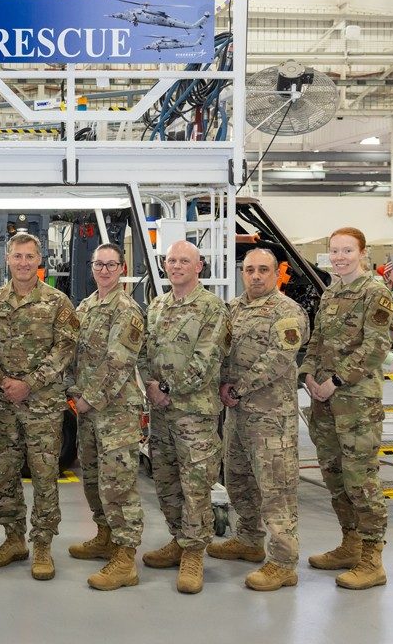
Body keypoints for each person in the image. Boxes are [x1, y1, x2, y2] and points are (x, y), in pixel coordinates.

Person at [300, 226, 393, 590]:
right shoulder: (331, 291)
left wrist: (334, 381)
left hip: (356, 403)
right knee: (334, 474)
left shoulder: (375, 292)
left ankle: (373, 559)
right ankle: (350, 544)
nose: (339, 257)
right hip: (323, 400)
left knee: (361, 479)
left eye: (346, 251)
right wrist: (307, 373)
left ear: (362, 252)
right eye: (334, 252)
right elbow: (317, 338)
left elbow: (375, 346)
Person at [211, 247, 308, 591]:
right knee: (239, 481)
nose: (255, 275)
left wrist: (238, 387)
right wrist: (222, 383)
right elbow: (221, 352)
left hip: (271, 419)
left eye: (263, 270)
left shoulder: (287, 311)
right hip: (237, 416)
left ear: (276, 273)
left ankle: (283, 562)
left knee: (276, 490)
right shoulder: (234, 308)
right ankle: (249, 540)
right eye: (249, 269)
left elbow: (279, 358)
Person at [137, 239, 229, 594]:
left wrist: (167, 390)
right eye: (171, 260)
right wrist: (149, 384)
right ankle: (178, 538)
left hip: (195, 415)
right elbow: (144, 351)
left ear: (198, 266)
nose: (176, 266)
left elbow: (206, 363)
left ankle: (194, 553)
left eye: (183, 261)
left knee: (196, 484)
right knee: (166, 480)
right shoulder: (158, 306)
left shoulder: (212, 309)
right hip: (161, 414)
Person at [0, 232, 79, 581]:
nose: (23, 262)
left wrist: (30, 383)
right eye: (17, 256)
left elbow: (64, 350)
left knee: (43, 476)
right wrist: (2, 381)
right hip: (2, 405)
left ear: (39, 261)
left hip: (42, 406)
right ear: (7, 259)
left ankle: (41, 544)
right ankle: (13, 539)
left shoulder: (58, 302)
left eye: (30, 256)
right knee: (5, 474)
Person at [69, 243, 147, 591]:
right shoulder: (86, 306)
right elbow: (73, 353)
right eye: (98, 264)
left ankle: (126, 558)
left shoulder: (127, 309)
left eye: (110, 264)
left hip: (116, 412)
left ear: (121, 267)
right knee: (94, 479)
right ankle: (105, 536)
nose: (104, 270)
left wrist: (88, 399)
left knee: (119, 484)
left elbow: (119, 362)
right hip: (86, 411)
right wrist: (73, 394)